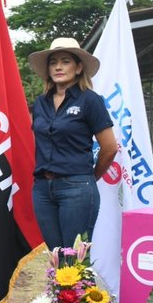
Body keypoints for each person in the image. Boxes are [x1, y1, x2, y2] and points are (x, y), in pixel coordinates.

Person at [27, 37, 117, 251]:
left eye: (65, 61)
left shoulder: (89, 100)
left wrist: (88, 178)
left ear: (78, 68)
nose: (58, 66)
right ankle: (57, 286)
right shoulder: (40, 103)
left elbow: (110, 148)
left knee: (74, 261)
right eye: (53, 62)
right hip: (42, 190)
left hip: (76, 188)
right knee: (56, 256)